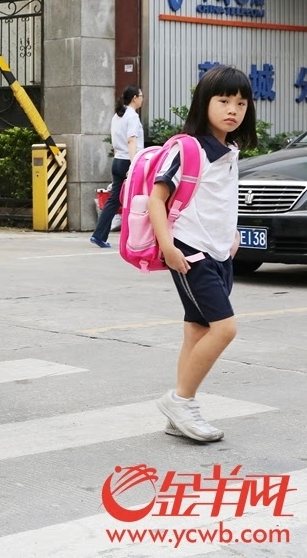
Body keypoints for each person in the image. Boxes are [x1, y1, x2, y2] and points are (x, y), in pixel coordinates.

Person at [150, 65, 256, 442]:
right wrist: (168, 247)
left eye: (241, 103)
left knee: (196, 331)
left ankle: (180, 411)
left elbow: (218, 201)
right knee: (224, 328)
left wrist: (232, 234)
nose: (233, 109)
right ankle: (180, 401)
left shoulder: (229, 149)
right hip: (190, 251)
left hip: (219, 253)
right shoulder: (187, 147)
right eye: (224, 100)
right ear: (204, 102)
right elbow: (156, 198)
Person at [91, 84, 144, 248]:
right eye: (141, 95)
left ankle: (99, 235)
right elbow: (132, 141)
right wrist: (134, 163)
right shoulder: (132, 117)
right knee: (136, 200)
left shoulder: (117, 116)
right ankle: (135, 238)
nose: (143, 98)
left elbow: (115, 141)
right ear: (135, 98)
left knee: (114, 200)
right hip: (130, 161)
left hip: (118, 161)